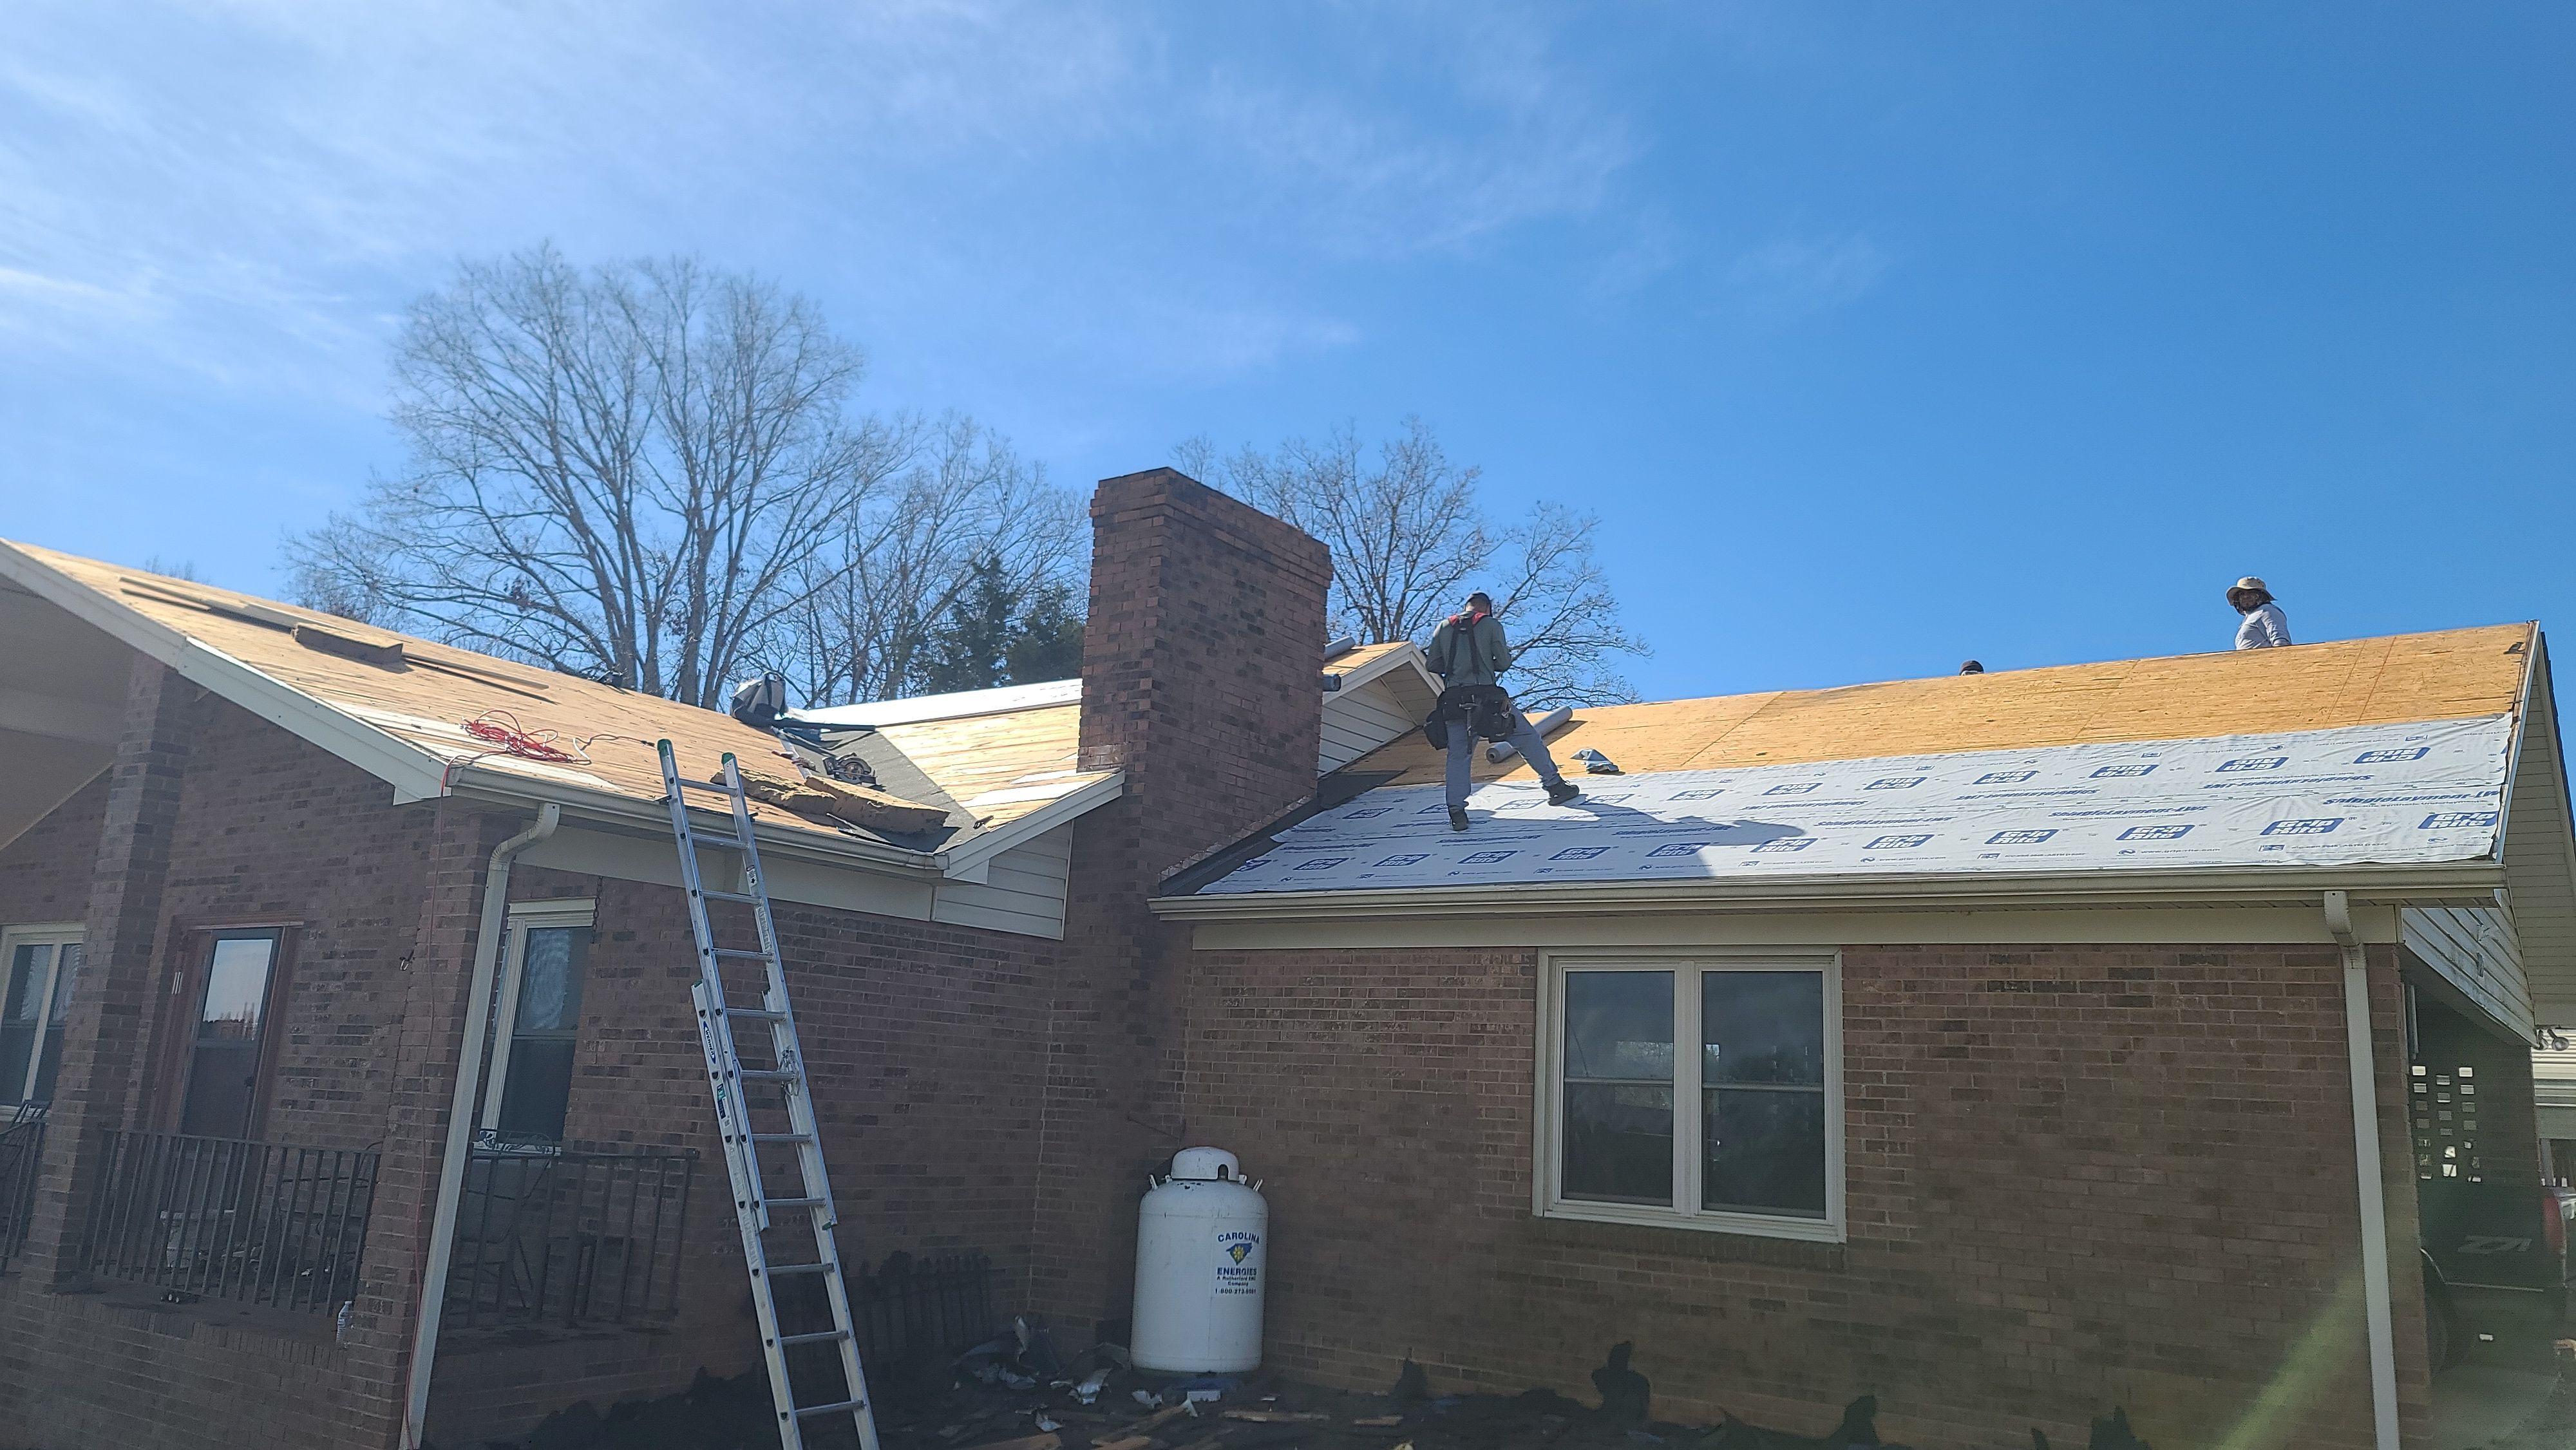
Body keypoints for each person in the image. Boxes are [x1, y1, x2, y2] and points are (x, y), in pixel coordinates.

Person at [1425, 592, 1580, 831]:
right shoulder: (1490, 625)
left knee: (1458, 756)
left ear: (1466, 607)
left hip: (1455, 702)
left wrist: (1456, 665)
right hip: (1488, 700)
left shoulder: (1444, 627)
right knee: (1526, 737)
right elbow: (1504, 662)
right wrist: (1487, 661)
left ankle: (1456, 812)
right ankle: (1554, 786)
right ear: (1487, 609)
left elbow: (1433, 664)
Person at [2228, 576, 2291, 650]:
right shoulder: (2249, 618)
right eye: (2242, 594)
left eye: (2251, 593)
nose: (2245, 596)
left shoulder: (2267, 610)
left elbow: (2281, 641)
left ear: (2261, 596)